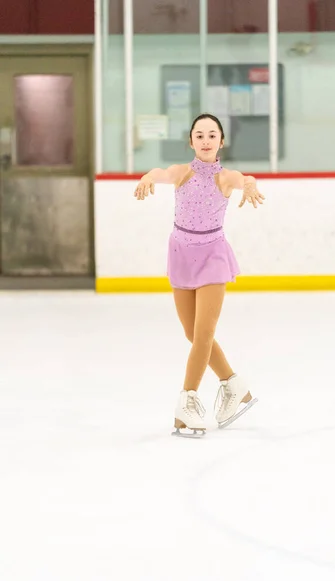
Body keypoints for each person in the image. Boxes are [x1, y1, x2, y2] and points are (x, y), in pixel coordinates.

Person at [134, 114, 264, 437]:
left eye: (212, 135)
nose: (206, 141)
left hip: (212, 257)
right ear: (190, 142)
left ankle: (187, 403)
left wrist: (249, 184)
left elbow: (243, 178)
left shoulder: (224, 177)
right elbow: (160, 172)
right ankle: (233, 384)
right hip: (180, 253)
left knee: (203, 334)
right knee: (193, 335)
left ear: (222, 141)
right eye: (199, 135)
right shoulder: (182, 173)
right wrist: (147, 177)